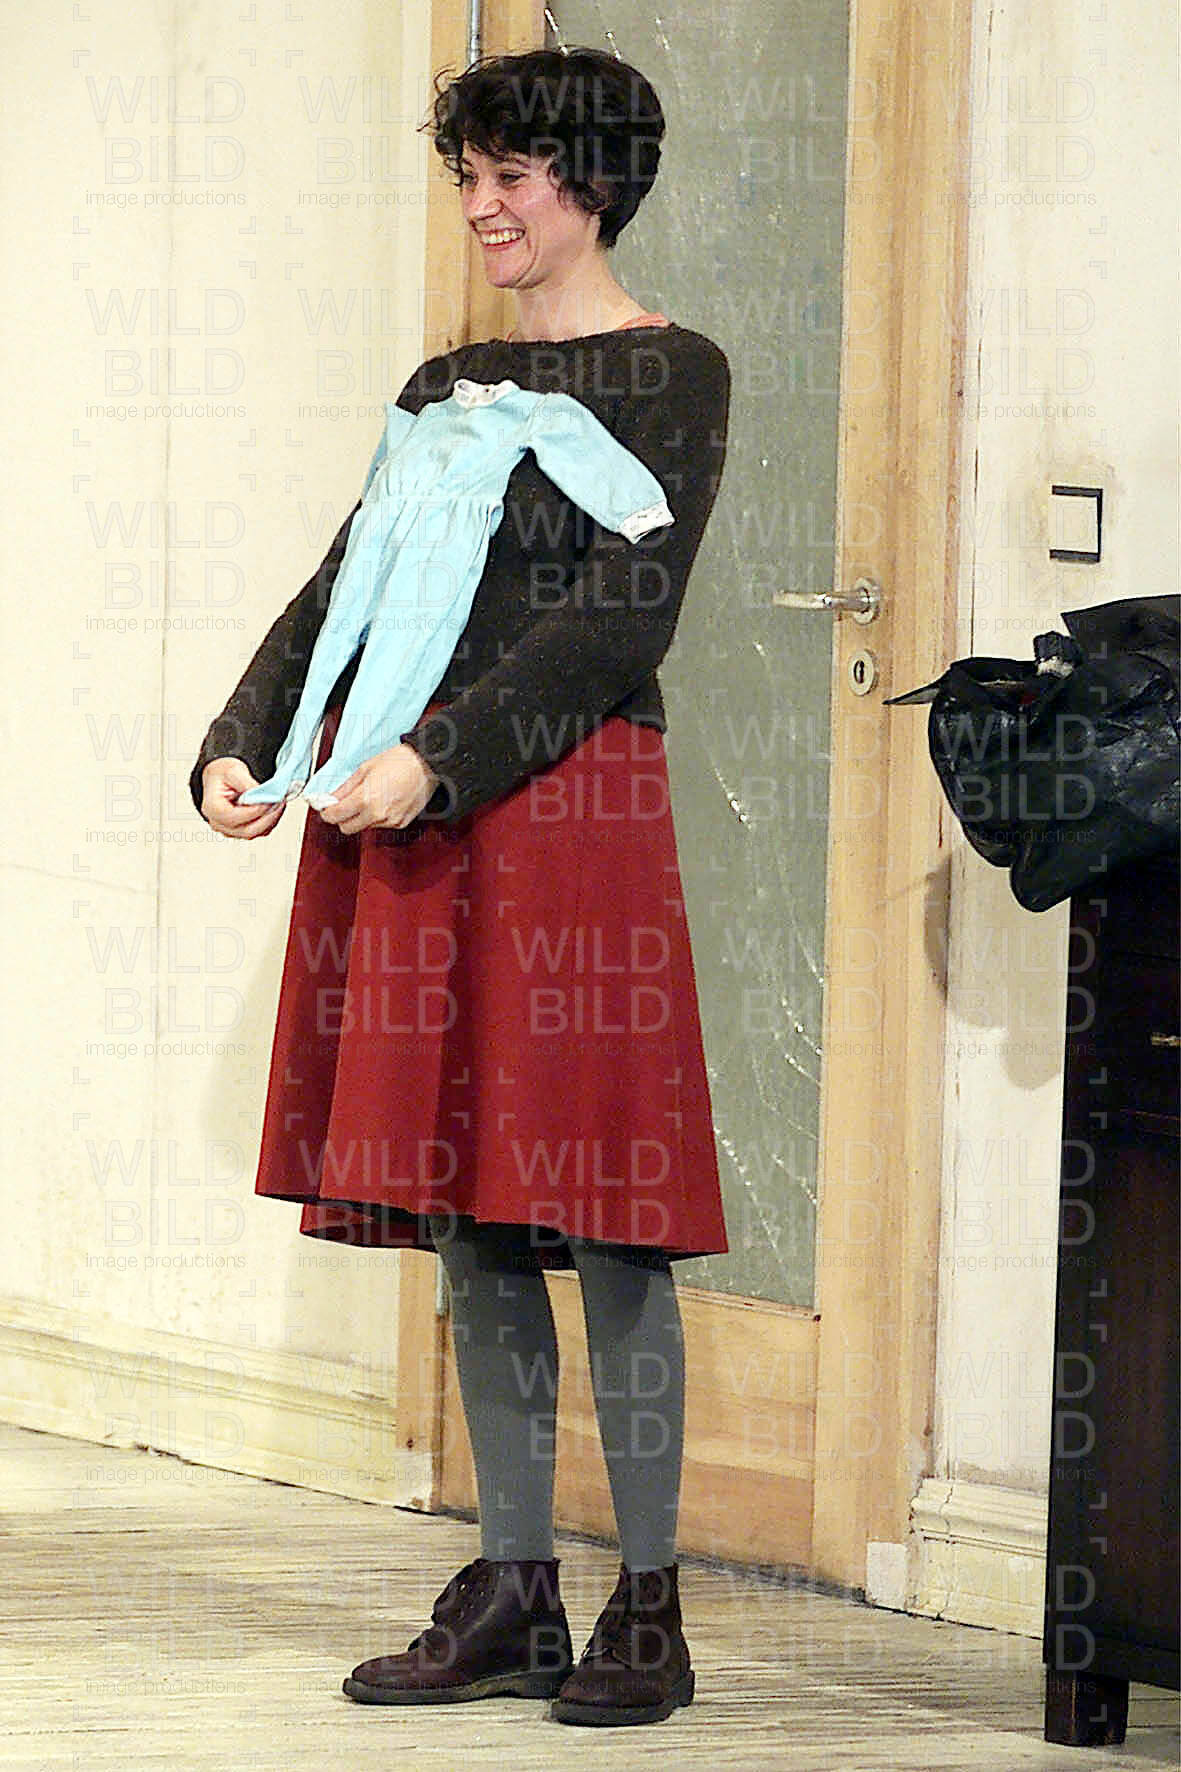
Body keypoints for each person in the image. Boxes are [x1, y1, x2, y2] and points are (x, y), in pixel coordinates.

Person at [191, 46, 731, 1730]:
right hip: (410, 809)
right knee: (468, 1208)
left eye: (511, 178)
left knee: (605, 1208)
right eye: (468, 181)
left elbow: (621, 616)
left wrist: (443, 753)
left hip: (566, 806)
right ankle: (511, 1586)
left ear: (593, 185)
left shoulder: (671, 371)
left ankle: (648, 1606)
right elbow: (345, 575)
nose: (483, 209)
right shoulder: (445, 381)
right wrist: (244, 735)